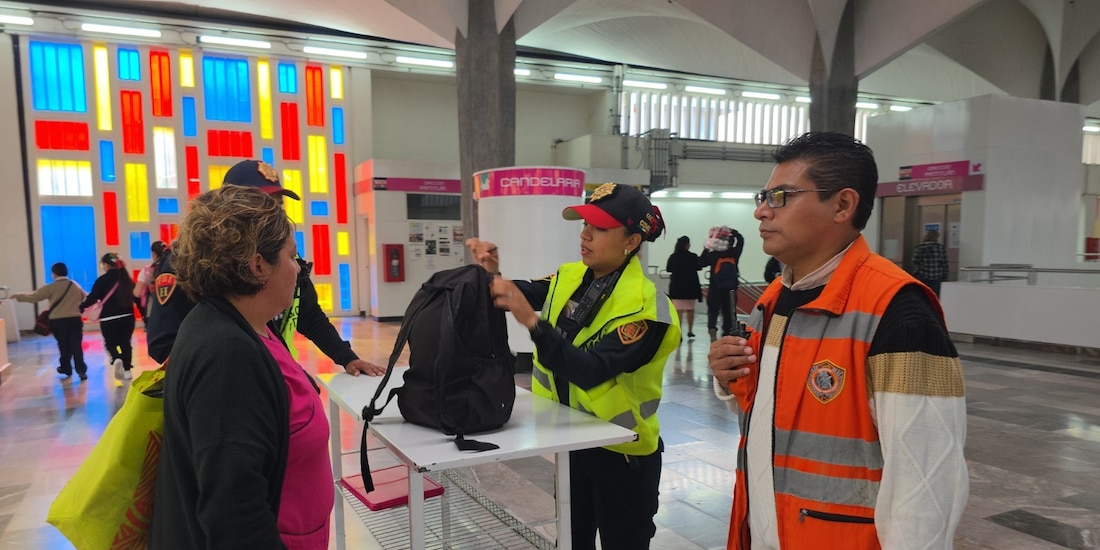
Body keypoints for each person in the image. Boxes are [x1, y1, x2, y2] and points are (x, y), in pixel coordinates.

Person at [707, 132, 968, 549]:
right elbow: (778, 405)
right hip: (763, 528)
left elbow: (927, 483)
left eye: (781, 197)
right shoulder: (774, 299)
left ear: (843, 205)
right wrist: (728, 377)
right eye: (763, 196)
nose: (760, 212)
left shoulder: (898, 312)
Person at [466, 182, 680, 550]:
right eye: (584, 225)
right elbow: (514, 293)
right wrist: (491, 273)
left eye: (599, 228)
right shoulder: (569, 277)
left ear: (631, 242)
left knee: (623, 541)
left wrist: (533, 325)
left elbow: (591, 369)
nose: (584, 235)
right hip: (572, 441)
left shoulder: (647, 309)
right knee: (572, 537)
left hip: (623, 453)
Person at [151, 185, 333, 548]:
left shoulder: (251, 326)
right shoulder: (226, 356)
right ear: (258, 265)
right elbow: (234, 515)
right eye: (292, 257)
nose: (298, 269)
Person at [144, 159, 384, 377]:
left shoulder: (286, 259)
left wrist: (347, 357)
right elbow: (164, 344)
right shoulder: (190, 261)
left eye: (278, 204)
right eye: (263, 204)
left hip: (274, 377)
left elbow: (308, 315)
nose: (274, 213)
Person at [12, 262, 88, 380]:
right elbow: (85, 297)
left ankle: (66, 368)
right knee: (76, 345)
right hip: (75, 320)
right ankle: (81, 370)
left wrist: (18, 296)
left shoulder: (51, 287)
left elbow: (34, 297)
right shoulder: (74, 285)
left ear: (54, 274)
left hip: (58, 322)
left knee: (64, 345)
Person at [80, 253, 136, 380]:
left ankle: (116, 358)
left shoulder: (102, 280)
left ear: (106, 265)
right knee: (125, 343)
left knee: (110, 343)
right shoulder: (127, 279)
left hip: (108, 318)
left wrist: (82, 307)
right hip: (127, 317)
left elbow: (93, 297)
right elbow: (136, 297)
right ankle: (127, 371)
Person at [699, 226, 744, 341]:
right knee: (729, 312)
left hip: (715, 288)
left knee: (713, 310)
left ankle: (712, 327)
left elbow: (701, 263)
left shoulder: (715, 254)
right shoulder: (734, 253)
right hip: (731, 289)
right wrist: (734, 232)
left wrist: (707, 248)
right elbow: (741, 241)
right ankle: (727, 332)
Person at [666, 235, 703, 340]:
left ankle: (679, 332)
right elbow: (699, 266)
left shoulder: (673, 256)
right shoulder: (692, 256)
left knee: (678, 311)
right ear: (687, 245)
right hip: (690, 288)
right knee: (690, 310)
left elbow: (668, 269)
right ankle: (690, 331)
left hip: (676, 288)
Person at [133, 240, 168, 320]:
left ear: (153, 254)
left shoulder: (147, 271)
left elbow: (137, 293)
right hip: (171, 311)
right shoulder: (172, 268)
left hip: (152, 311)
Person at [912, 229, 949, 296]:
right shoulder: (940, 248)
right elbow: (944, 264)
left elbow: (914, 261)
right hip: (937, 276)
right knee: (935, 296)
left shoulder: (920, 247)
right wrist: (945, 276)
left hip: (923, 275)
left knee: (923, 295)